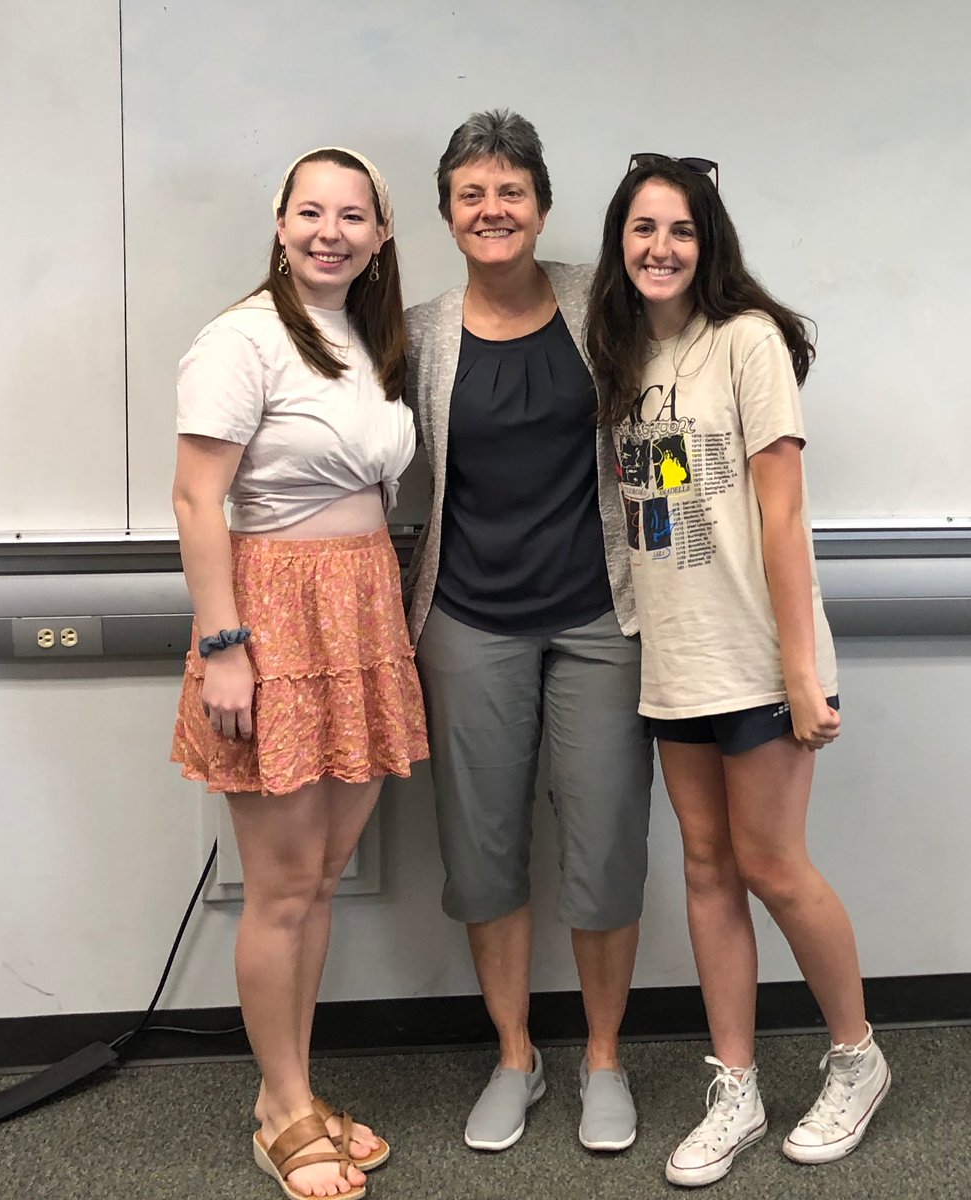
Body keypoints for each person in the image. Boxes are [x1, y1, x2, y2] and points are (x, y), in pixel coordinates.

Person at [586, 153, 891, 1187]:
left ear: (708, 244)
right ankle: (738, 1085)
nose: (660, 248)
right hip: (677, 658)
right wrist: (642, 629)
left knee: (773, 866)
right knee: (707, 870)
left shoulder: (747, 341)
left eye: (680, 230)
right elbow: (643, 520)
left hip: (761, 657)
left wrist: (801, 671)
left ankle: (858, 1058)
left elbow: (780, 509)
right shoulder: (622, 357)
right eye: (642, 229)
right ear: (619, 245)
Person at [170, 146, 427, 1200]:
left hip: (362, 608)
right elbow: (196, 501)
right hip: (271, 618)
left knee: (321, 879)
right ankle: (279, 1110)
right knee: (280, 888)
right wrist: (225, 646)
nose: (331, 230)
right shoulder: (239, 339)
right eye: (310, 211)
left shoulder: (366, 340)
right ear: (279, 223)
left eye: (352, 215)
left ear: (379, 235)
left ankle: (299, 1087)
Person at [405, 110, 654, 1155]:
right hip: (467, 621)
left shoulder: (605, 303)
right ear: (448, 214)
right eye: (472, 193)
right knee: (483, 849)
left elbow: (668, 429)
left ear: (542, 206)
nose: (493, 209)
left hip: (602, 616)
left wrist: (677, 525)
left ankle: (602, 1055)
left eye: (511, 192)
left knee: (604, 845)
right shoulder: (418, 332)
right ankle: (517, 1054)